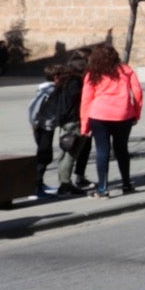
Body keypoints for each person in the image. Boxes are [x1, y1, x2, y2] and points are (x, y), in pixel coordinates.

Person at [80, 44, 143, 196]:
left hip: (99, 114)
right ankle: (127, 184)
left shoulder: (92, 73)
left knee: (102, 151)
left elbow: (86, 100)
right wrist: (136, 113)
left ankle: (102, 188)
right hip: (123, 114)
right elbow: (138, 92)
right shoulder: (126, 70)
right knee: (122, 150)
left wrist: (84, 124)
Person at [51, 53, 91, 196]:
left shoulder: (64, 80)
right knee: (71, 153)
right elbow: (79, 101)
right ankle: (65, 184)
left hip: (65, 120)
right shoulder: (75, 82)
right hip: (74, 120)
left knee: (65, 152)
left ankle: (64, 182)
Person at [28, 64, 61, 188]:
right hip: (43, 126)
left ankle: (39, 182)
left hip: (48, 125)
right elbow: (33, 107)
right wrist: (35, 123)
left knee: (46, 155)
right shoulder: (49, 90)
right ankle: (36, 185)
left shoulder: (51, 89)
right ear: (56, 77)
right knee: (43, 156)